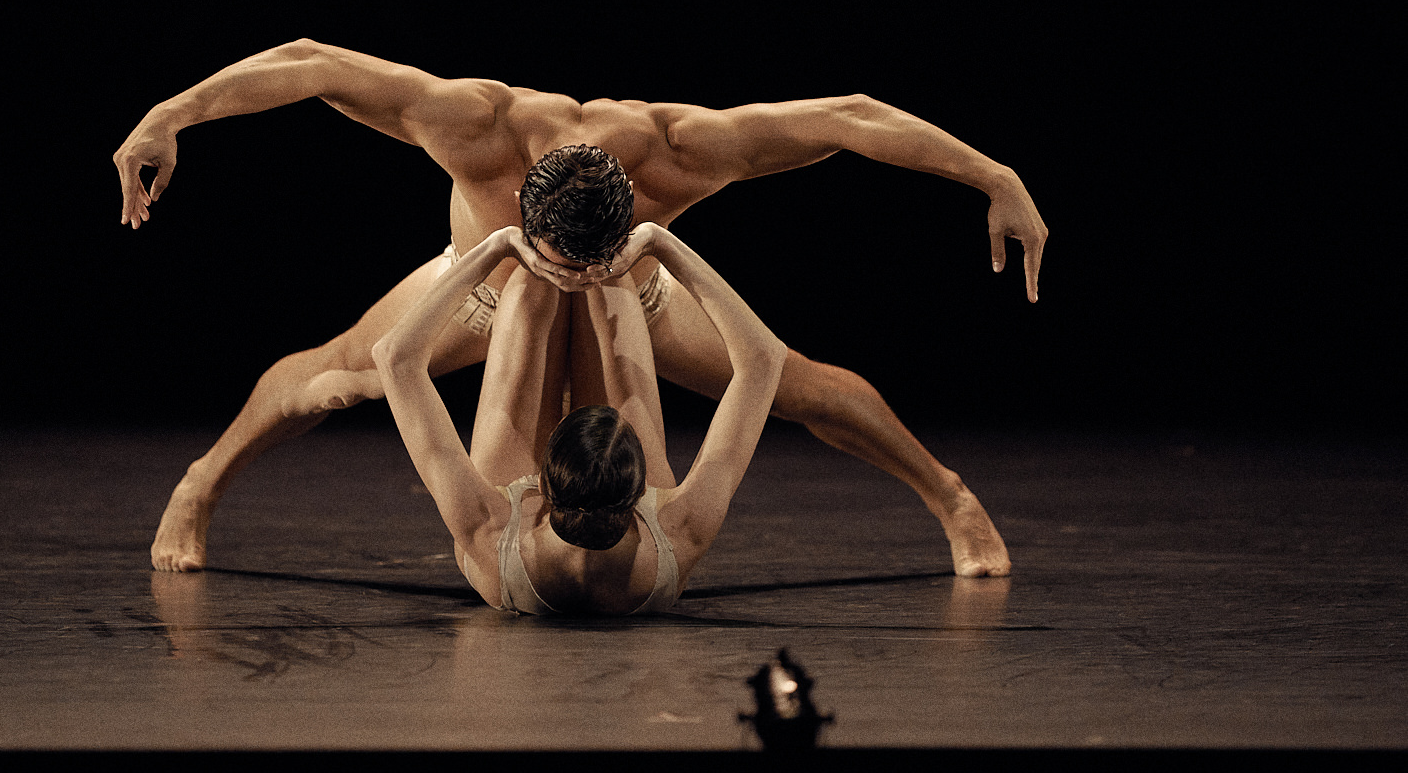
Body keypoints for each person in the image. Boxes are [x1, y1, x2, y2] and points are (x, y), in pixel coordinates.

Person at [114, 39, 1047, 578]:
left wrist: (993, 175)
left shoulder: (680, 149)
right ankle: (200, 483)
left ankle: (952, 499)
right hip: (482, 274)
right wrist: (173, 112)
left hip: (634, 283)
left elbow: (848, 115)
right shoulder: (474, 126)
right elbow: (312, 62)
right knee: (333, 378)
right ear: (522, 203)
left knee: (799, 386)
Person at [375, 221, 784, 614]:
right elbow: (765, 360)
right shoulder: (679, 533)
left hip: (518, 561)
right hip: (632, 563)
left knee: (530, 285)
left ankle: (552, 258)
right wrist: (660, 242)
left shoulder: (490, 530)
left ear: (540, 482)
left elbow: (395, 358)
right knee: (612, 283)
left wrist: (497, 246)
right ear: (641, 492)